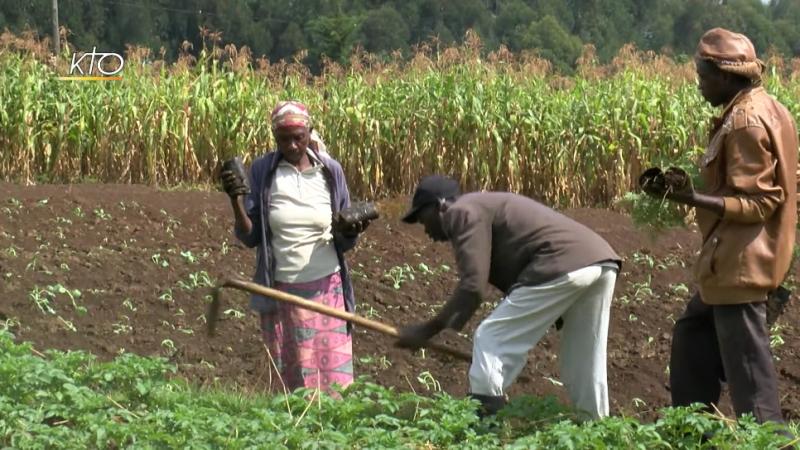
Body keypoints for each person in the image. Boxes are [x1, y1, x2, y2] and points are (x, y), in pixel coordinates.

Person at [641, 28, 798, 426]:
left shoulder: (746, 122)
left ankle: (769, 440)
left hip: (741, 265)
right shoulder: (766, 107)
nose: (699, 85)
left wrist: (690, 198)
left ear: (727, 77)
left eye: (704, 76)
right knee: (693, 338)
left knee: (750, 376)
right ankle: (693, 430)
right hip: (729, 263)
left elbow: (760, 201)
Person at [394, 175, 621, 420]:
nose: (423, 228)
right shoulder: (479, 207)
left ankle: (485, 432)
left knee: (491, 339)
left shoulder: (461, 211)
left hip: (560, 262)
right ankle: (597, 430)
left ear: (440, 206)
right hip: (600, 261)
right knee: (584, 362)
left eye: (422, 217)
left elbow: (473, 286)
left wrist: (426, 331)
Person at [219, 101, 369, 394]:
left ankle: (332, 436)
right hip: (281, 292)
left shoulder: (330, 171)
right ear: (275, 138)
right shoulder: (264, 171)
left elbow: (345, 239)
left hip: (327, 291)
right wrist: (235, 199)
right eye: (284, 139)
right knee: (291, 382)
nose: (292, 144)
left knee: (333, 381)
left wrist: (350, 230)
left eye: (298, 137)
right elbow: (251, 237)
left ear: (309, 133)